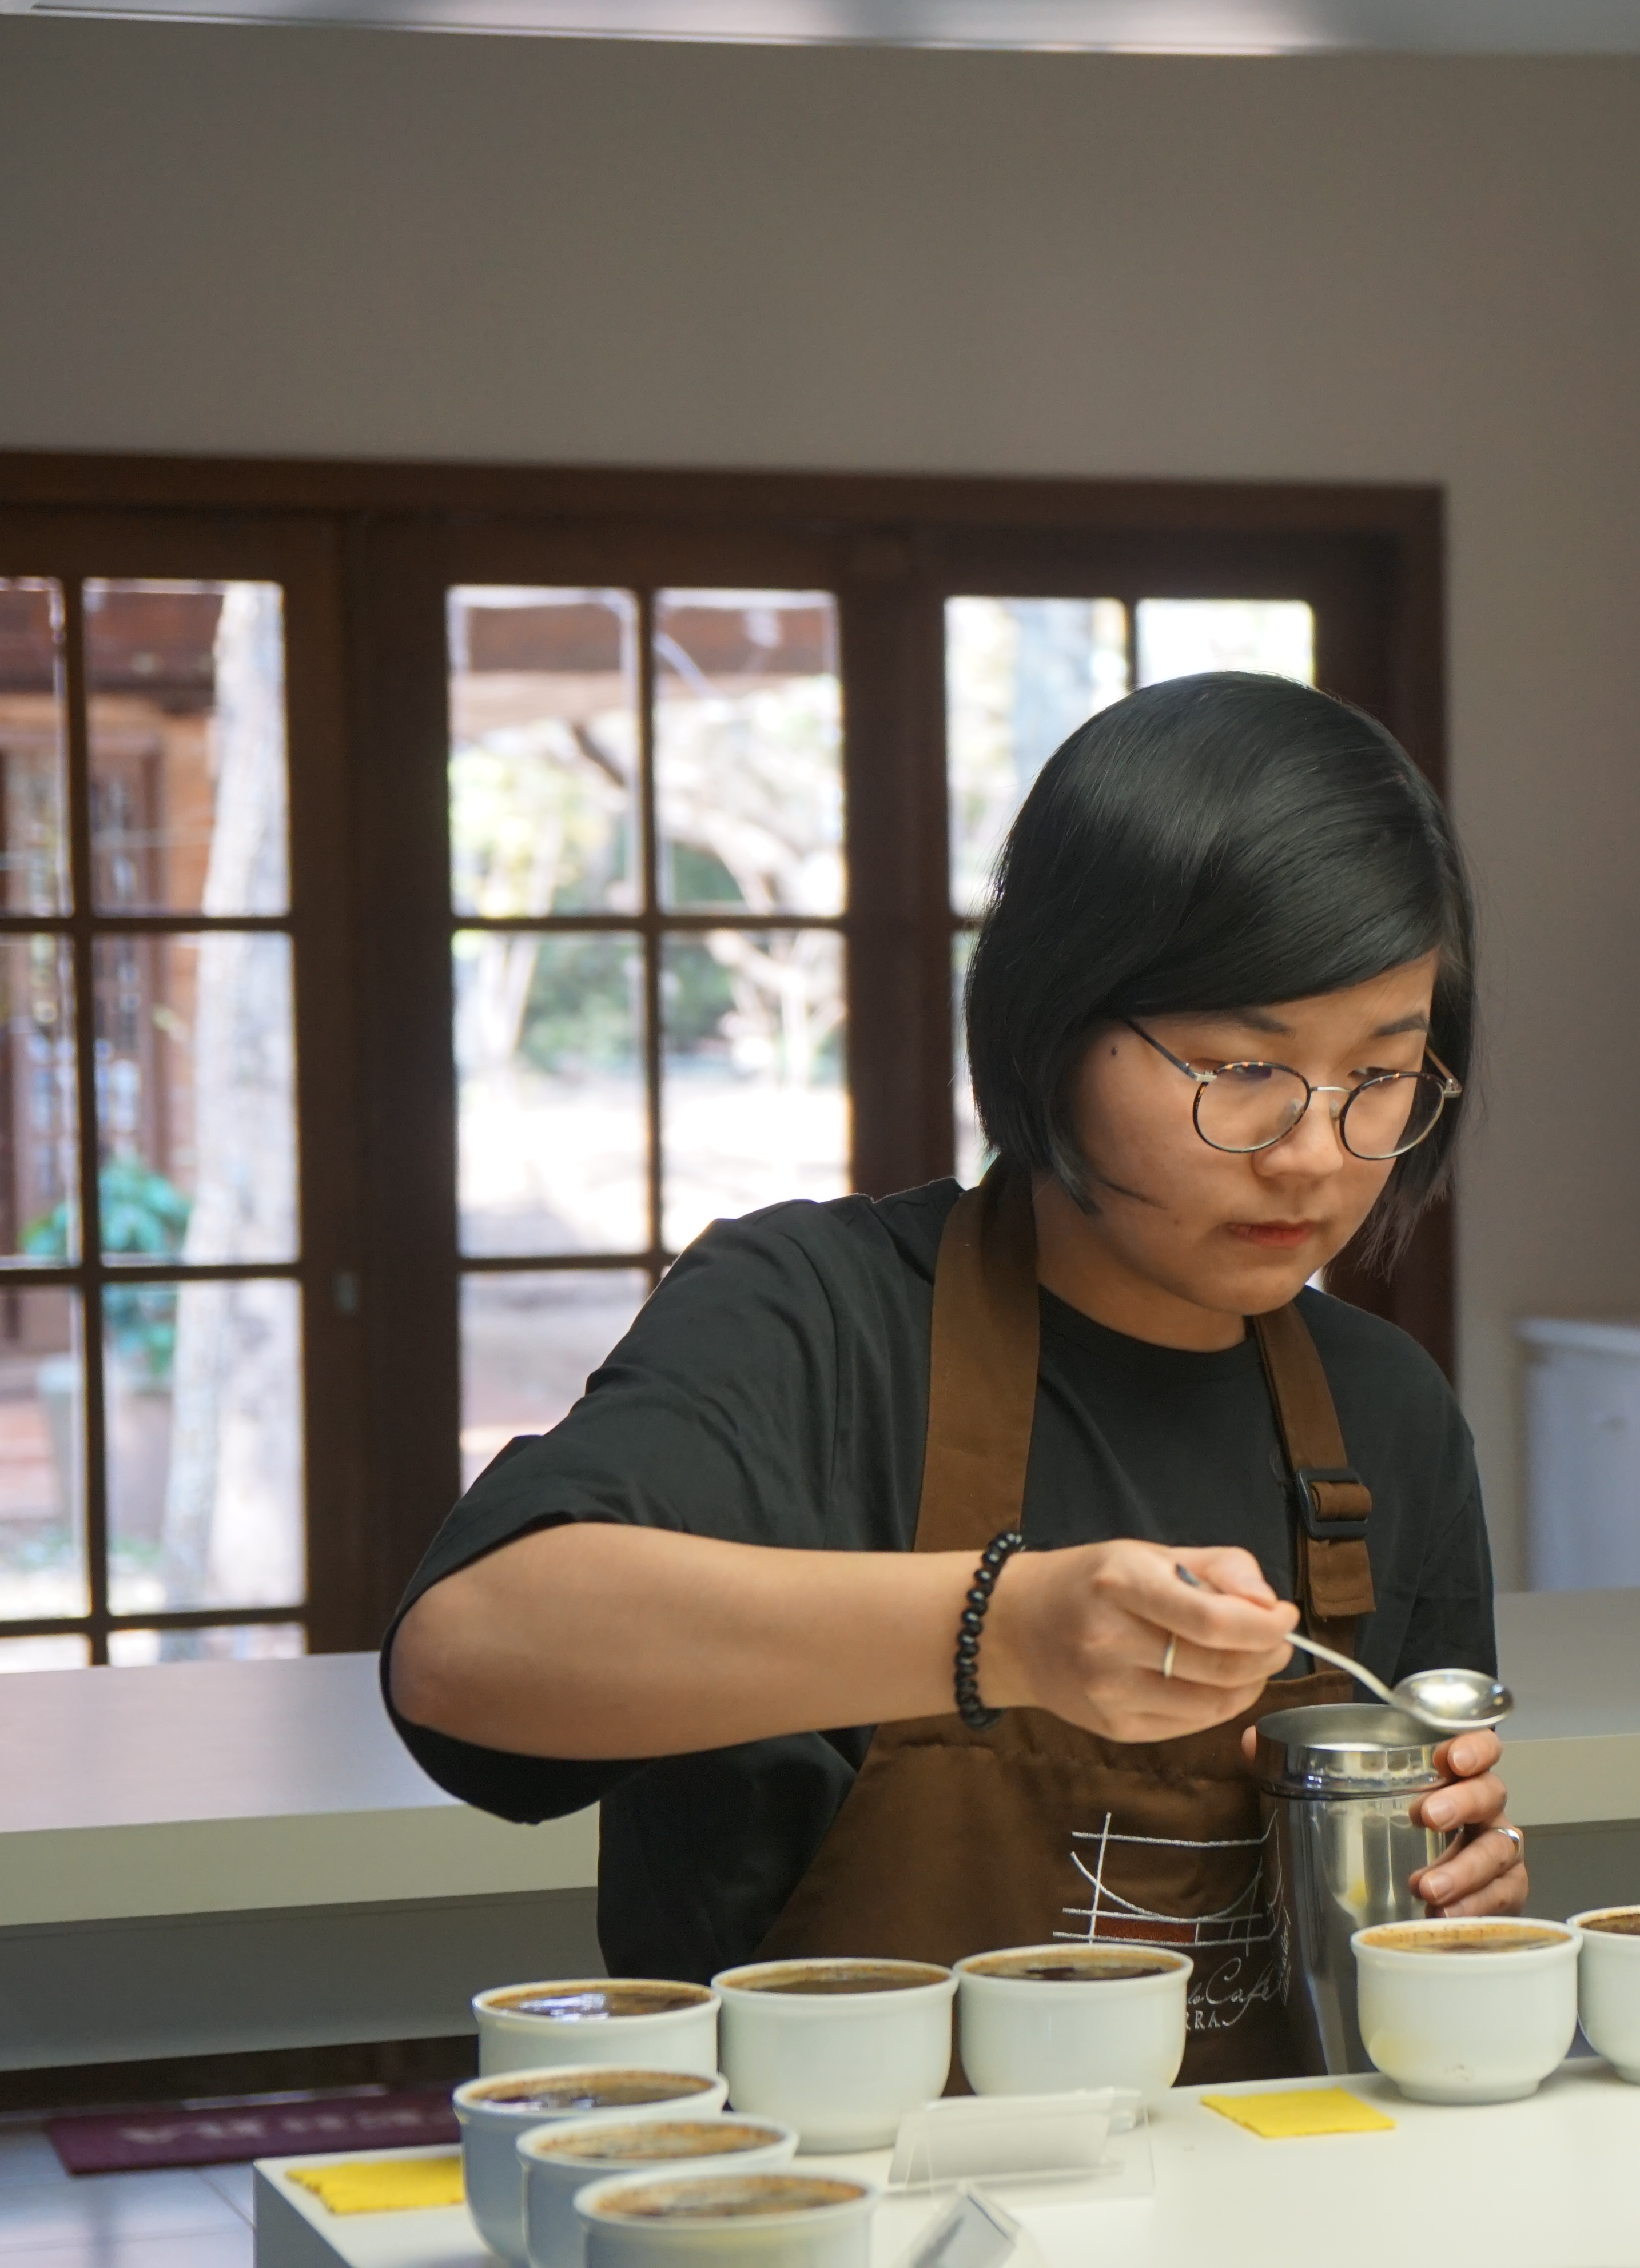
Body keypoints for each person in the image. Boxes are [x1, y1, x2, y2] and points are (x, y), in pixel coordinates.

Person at [388, 672, 1522, 2083]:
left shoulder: (1384, 1410)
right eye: (1241, 1067)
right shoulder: (815, 1318)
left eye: (1383, 1074)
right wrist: (1010, 1625)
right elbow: (469, 1654)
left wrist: (1453, 1887)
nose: (1311, 1149)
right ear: (1053, 1018)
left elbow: (1411, 1899)